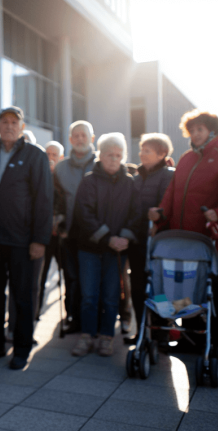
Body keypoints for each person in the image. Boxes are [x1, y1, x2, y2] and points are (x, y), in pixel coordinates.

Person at [148, 110, 218, 353]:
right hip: (183, 241)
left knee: (217, 292)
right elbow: (171, 193)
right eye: (192, 130)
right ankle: (191, 338)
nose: (195, 134)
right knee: (188, 290)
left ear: (213, 131)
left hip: (214, 239)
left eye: (200, 129)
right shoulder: (186, 158)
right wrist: (161, 215)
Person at [0, 106, 53, 370]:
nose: (8, 126)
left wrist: (39, 239)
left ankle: (22, 347)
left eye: (14, 122)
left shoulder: (35, 155)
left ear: (22, 127)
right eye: (4, 121)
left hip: (23, 241)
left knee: (22, 296)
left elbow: (44, 199)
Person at [70, 133, 139, 357]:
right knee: (89, 295)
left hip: (116, 252)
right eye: (110, 154)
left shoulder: (129, 182)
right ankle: (87, 335)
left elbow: (135, 214)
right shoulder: (89, 180)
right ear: (101, 154)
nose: (114, 159)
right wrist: (108, 237)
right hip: (90, 249)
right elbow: (84, 214)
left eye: (118, 155)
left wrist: (124, 238)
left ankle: (107, 336)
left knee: (111, 296)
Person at [124, 133, 175, 344]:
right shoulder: (135, 177)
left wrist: (160, 216)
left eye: (147, 150)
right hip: (137, 241)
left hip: (159, 241)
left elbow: (169, 204)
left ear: (162, 153)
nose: (142, 154)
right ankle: (142, 330)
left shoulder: (168, 175)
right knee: (137, 286)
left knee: (160, 287)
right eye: (141, 150)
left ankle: (162, 330)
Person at [54, 121, 97, 334]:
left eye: (84, 135)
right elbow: (56, 198)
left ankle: (97, 321)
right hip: (69, 234)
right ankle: (73, 318)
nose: (80, 139)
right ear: (70, 140)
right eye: (76, 136)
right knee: (72, 278)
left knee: (94, 281)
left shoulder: (101, 164)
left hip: (96, 235)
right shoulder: (61, 168)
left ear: (92, 138)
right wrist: (58, 221)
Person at [37, 141, 66, 319]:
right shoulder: (38, 176)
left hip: (61, 235)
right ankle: (35, 310)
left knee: (68, 275)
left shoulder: (63, 178)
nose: (50, 158)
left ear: (60, 158)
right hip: (42, 236)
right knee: (40, 276)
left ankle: (70, 315)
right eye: (47, 154)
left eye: (54, 155)